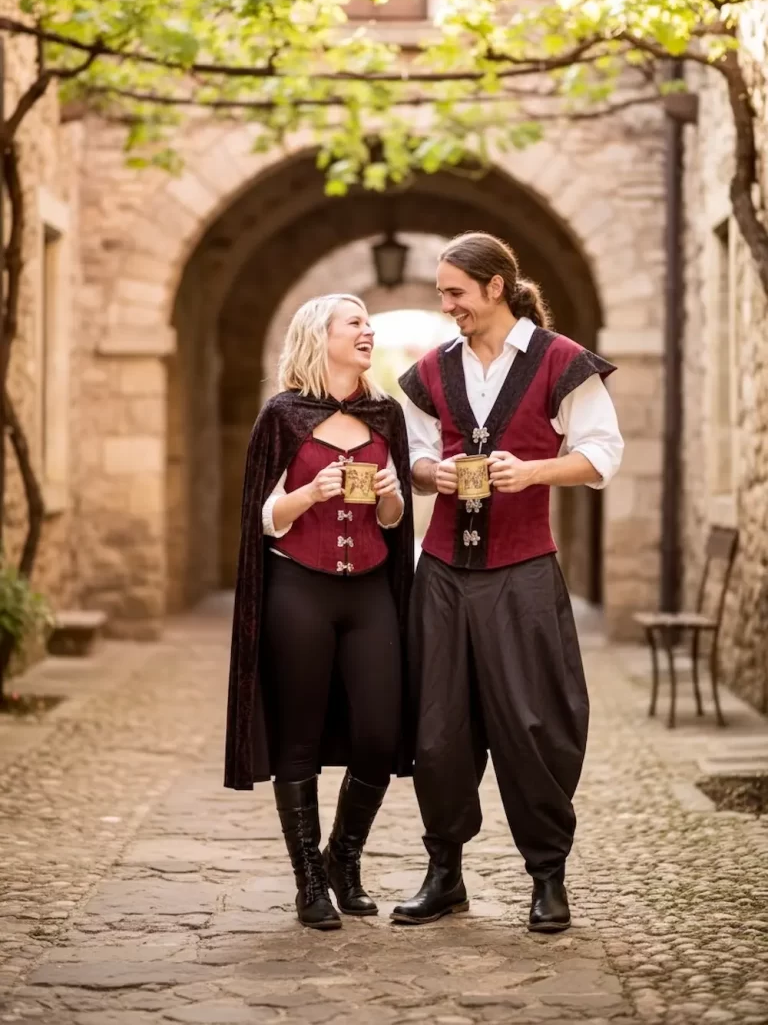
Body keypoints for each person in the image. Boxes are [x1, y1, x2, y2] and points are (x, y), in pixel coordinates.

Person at [393, 232, 623, 933]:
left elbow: (600, 453)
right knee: (437, 731)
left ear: (496, 287)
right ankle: (445, 874)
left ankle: (547, 877)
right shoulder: (432, 369)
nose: (448, 306)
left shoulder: (560, 362)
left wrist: (532, 472)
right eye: (442, 295)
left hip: (523, 572)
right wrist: (433, 473)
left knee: (535, 726)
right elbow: (415, 458)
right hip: (441, 574)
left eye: (456, 293)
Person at [225, 294, 414, 931]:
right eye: (354, 323)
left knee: (380, 732)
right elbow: (262, 519)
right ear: (320, 337)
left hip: (367, 589)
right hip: (296, 586)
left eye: (368, 324)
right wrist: (310, 491)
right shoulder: (282, 415)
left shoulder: (386, 413)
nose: (368, 331)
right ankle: (310, 880)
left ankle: (344, 858)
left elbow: (393, 524)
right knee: (298, 734)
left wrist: (391, 497)